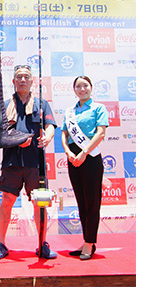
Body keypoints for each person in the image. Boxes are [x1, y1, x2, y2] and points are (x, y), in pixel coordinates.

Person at [0, 64, 58, 260]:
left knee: (40, 204)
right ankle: (1, 243)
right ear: (13, 81)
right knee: (7, 201)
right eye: (18, 77)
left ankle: (42, 243)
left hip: (35, 163)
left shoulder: (41, 104)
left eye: (26, 77)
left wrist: (48, 137)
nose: (22, 80)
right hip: (11, 162)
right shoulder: (4, 105)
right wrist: (17, 140)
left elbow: (51, 125)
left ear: (32, 81)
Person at [60, 75, 109, 260]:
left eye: (85, 86)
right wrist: (68, 152)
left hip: (90, 157)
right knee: (81, 202)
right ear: (74, 90)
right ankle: (86, 240)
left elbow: (101, 132)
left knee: (92, 202)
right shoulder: (70, 112)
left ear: (91, 88)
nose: (82, 89)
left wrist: (84, 152)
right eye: (78, 86)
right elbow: (64, 134)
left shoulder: (98, 108)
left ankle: (90, 243)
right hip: (73, 158)